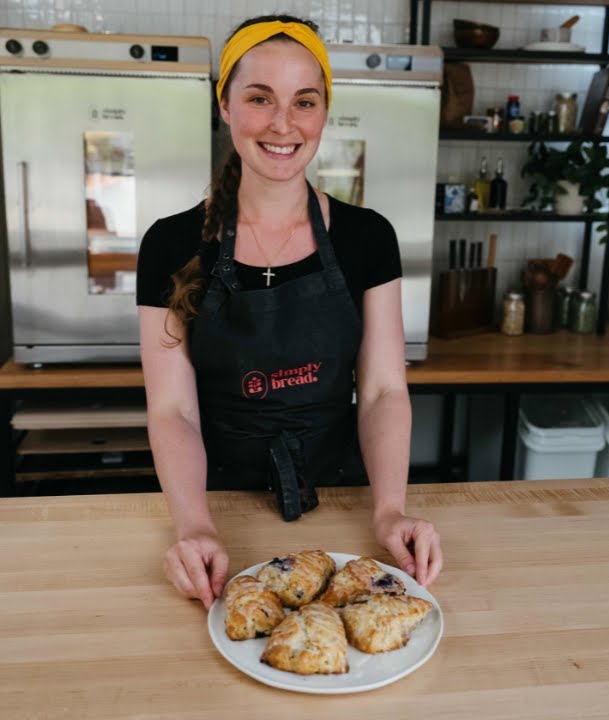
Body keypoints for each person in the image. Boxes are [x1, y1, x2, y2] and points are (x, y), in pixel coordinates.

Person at [136, 15, 442, 609]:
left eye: (304, 101)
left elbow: (383, 390)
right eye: (260, 98)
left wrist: (389, 511)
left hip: (343, 502)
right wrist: (194, 525)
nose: (283, 123)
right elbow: (173, 408)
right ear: (225, 106)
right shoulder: (170, 244)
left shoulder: (367, 237)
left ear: (324, 112)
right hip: (216, 504)